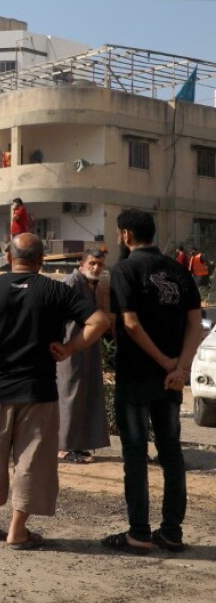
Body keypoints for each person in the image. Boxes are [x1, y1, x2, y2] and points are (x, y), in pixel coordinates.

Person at [0, 233, 107, 550]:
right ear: (41, 260)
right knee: (33, 461)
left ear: (9, 257)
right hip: (38, 390)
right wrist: (70, 348)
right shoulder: (55, 290)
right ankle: (17, 530)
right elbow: (99, 321)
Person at [103, 209, 203, 555]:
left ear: (127, 234)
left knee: (135, 453)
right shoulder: (179, 270)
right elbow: (197, 325)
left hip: (136, 377)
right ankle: (172, 532)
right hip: (171, 383)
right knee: (171, 453)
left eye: (119, 233)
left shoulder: (125, 269)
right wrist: (180, 367)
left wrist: (163, 362)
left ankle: (139, 533)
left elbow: (129, 323)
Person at [56, 251, 111, 463]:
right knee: (70, 394)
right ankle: (64, 447)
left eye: (100, 265)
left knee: (84, 394)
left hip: (85, 348)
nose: (97, 268)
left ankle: (76, 444)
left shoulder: (91, 285)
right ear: (82, 264)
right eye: (93, 263)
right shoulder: (72, 282)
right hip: (70, 347)